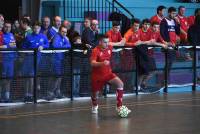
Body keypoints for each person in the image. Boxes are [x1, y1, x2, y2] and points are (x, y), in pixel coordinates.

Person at [90, 34, 131, 115]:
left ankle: (119, 106)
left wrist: (124, 39)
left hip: (108, 74)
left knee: (120, 84)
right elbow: (92, 63)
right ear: (100, 42)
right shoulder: (95, 50)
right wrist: (102, 63)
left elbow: (119, 44)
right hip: (98, 76)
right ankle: (94, 104)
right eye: (105, 42)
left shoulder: (109, 46)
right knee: (95, 94)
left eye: (108, 42)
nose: (107, 44)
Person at [22, 21, 49, 102]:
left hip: (40, 60)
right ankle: (27, 94)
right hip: (29, 60)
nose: (36, 29)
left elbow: (47, 44)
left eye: (38, 28)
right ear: (32, 28)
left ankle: (32, 94)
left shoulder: (43, 36)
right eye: (35, 28)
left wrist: (43, 46)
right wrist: (27, 52)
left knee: (34, 77)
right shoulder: (28, 37)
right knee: (29, 77)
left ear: (40, 28)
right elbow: (23, 47)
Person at [47, 26, 71, 100]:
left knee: (59, 77)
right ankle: (50, 93)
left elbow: (69, 45)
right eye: (63, 31)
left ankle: (57, 92)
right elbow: (55, 46)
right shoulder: (56, 37)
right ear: (59, 31)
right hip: (55, 60)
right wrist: (64, 46)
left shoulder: (64, 38)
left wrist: (64, 45)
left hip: (61, 60)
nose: (64, 33)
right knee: (55, 76)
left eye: (65, 32)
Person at [0, 21, 17, 102]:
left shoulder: (11, 35)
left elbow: (14, 46)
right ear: (3, 27)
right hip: (3, 60)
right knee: (3, 79)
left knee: (9, 79)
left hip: (11, 60)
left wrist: (15, 56)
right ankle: (1, 95)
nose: (7, 28)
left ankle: (7, 96)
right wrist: (7, 46)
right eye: (6, 26)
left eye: (9, 27)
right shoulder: (1, 35)